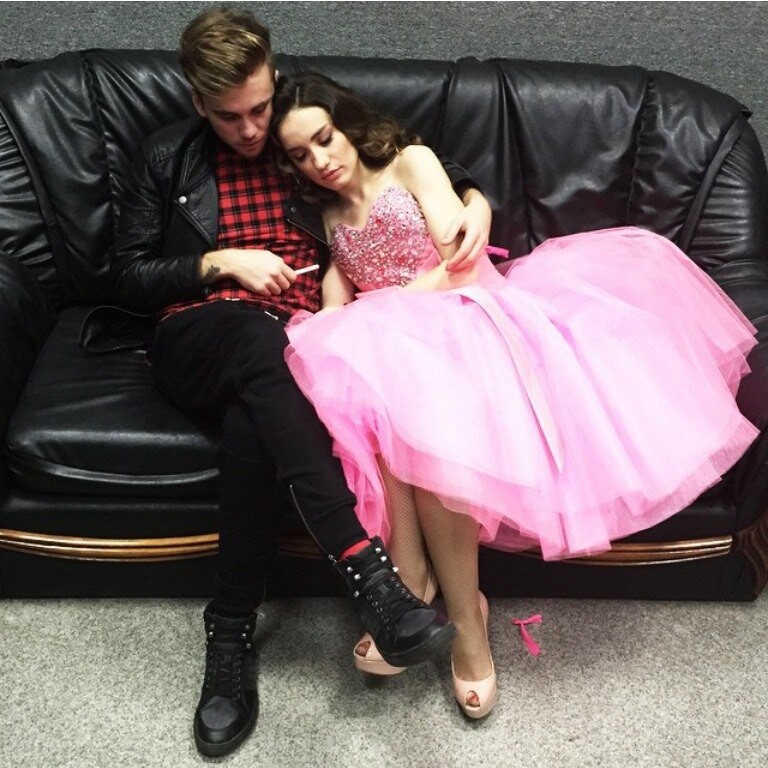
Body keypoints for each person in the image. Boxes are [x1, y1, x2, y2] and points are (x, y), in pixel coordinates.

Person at [271, 71, 760, 719]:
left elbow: (461, 264)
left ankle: (465, 624)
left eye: (325, 138)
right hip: (401, 351)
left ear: (347, 125)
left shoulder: (410, 163)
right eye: (301, 154)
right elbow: (335, 310)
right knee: (370, 393)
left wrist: (377, 310)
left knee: (427, 420)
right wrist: (330, 329)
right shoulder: (331, 217)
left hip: (469, 319)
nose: (320, 160)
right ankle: (413, 581)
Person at [109, 7, 494, 758]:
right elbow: (124, 277)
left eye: (259, 108)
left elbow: (405, 164)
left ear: (275, 81)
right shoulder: (164, 156)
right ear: (198, 102)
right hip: (199, 332)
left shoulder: (302, 138)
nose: (250, 129)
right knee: (258, 339)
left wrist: (475, 199)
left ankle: (228, 634)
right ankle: (370, 574)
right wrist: (218, 262)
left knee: (258, 412)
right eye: (229, 117)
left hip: (300, 343)